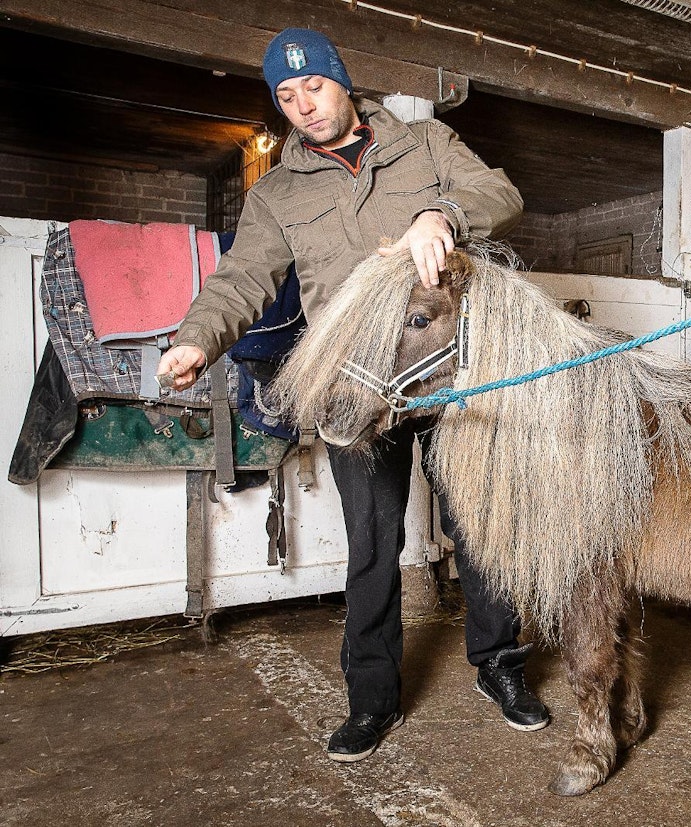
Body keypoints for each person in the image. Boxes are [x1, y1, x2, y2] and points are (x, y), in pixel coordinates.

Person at [158, 27, 549, 763]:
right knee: (372, 542)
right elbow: (242, 279)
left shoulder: (424, 144)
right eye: (286, 96)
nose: (303, 105)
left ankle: (500, 663)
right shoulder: (278, 192)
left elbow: (502, 193)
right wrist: (197, 338)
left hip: (445, 371)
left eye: (313, 86)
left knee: (477, 525)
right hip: (355, 385)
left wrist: (442, 215)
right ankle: (372, 698)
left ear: (342, 81)